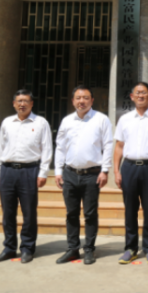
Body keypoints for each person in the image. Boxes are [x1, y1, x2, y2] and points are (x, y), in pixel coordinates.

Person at [53, 85, 113, 265]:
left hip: (92, 175)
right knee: (71, 213)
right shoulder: (67, 121)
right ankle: (72, 249)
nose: (82, 101)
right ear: (73, 101)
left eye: (86, 98)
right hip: (70, 173)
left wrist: (105, 170)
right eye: (78, 98)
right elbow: (60, 147)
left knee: (90, 214)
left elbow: (108, 145)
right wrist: (58, 171)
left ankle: (89, 249)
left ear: (92, 100)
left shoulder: (101, 119)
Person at [0, 89, 52, 264]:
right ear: (14, 104)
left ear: (31, 104)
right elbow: (0, 148)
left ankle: (27, 248)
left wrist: (43, 173)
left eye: (26, 101)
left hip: (29, 171)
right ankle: (9, 248)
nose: (22, 104)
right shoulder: (7, 122)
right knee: (8, 212)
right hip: (7, 170)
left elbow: (47, 149)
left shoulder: (41, 123)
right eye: (19, 101)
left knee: (29, 212)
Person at [113, 82, 148, 265]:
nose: (140, 96)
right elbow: (119, 146)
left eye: (144, 93)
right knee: (130, 210)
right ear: (131, 96)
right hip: (129, 167)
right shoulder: (124, 119)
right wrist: (116, 171)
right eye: (137, 93)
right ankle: (130, 248)